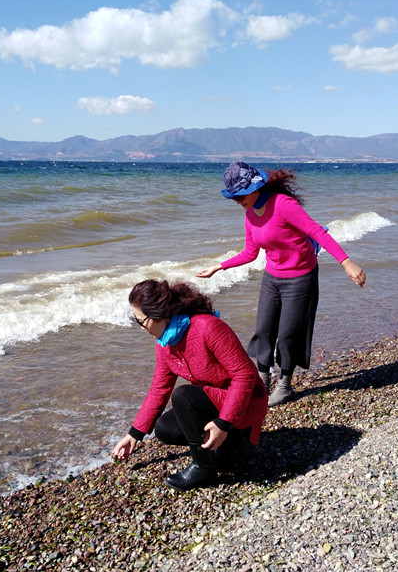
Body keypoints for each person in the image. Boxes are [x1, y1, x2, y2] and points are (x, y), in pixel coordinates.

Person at [197, 161, 366, 407]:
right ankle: (262, 381)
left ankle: (285, 386)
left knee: (289, 335)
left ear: (256, 187)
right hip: (272, 277)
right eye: (233, 196)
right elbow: (250, 253)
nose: (237, 200)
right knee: (263, 330)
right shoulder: (250, 215)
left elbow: (319, 233)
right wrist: (219, 267)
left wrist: (347, 263)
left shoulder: (283, 205)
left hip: (300, 277)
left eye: (241, 194)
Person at [111, 279, 268, 491]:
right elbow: (159, 389)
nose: (142, 328)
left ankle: (204, 466)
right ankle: (228, 444)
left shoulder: (207, 327)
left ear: (159, 312)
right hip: (216, 401)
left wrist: (223, 423)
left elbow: (245, 375)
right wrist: (134, 434)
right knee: (166, 429)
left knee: (183, 395)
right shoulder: (165, 341)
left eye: (142, 321)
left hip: (246, 402)